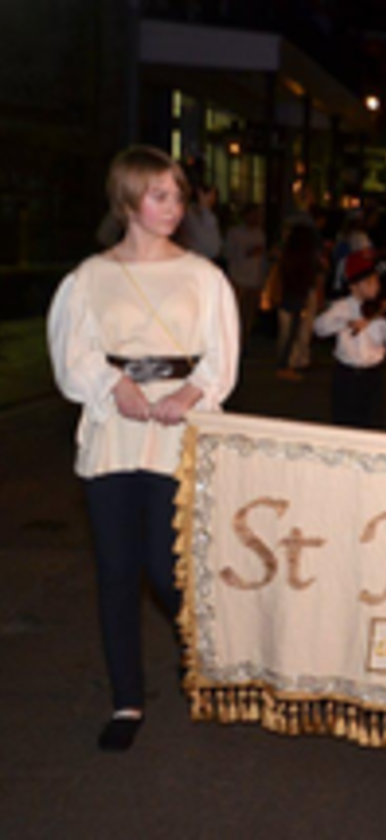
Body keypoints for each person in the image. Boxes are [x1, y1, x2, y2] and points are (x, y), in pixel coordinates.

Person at [46, 145, 239, 752]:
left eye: (178, 194)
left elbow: (220, 353)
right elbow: (73, 353)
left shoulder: (203, 276)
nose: (174, 206)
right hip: (113, 433)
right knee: (117, 571)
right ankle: (126, 700)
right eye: (160, 195)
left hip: (177, 433)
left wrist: (191, 393)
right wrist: (114, 385)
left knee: (166, 565)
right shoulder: (88, 279)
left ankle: (209, 664)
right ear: (128, 199)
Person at [313, 251, 386, 429]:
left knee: (372, 425)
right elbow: (319, 327)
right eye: (369, 282)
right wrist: (347, 323)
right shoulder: (342, 307)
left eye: (376, 282)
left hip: (373, 377)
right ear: (353, 287)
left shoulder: (383, 310)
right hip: (346, 376)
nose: (375, 287)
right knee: (344, 425)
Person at [276, 224, 324, 380]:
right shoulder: (309, 258)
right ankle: (287, 365)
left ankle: (286, 363)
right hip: (299, 295)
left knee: (287, 333)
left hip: (286, 295)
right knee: (294, 331)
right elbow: (315, 277)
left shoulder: (286, 255)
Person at [223, 203, 267, 343]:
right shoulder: (235, 233)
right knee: (237, 314)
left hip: (255, 279)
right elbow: (226, 253)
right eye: (254, 215)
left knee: (250, 315)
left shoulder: (259, 233)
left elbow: (262, 259)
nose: (256, 218)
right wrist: (246, 253)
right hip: (239, 277)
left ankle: (245, 341)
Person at [176, 181, 222, 262]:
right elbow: (211, 249)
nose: (214, 198)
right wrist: (205, 207)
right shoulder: (191, 214)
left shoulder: (196, 213)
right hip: (194, 261)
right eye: (212, 194)